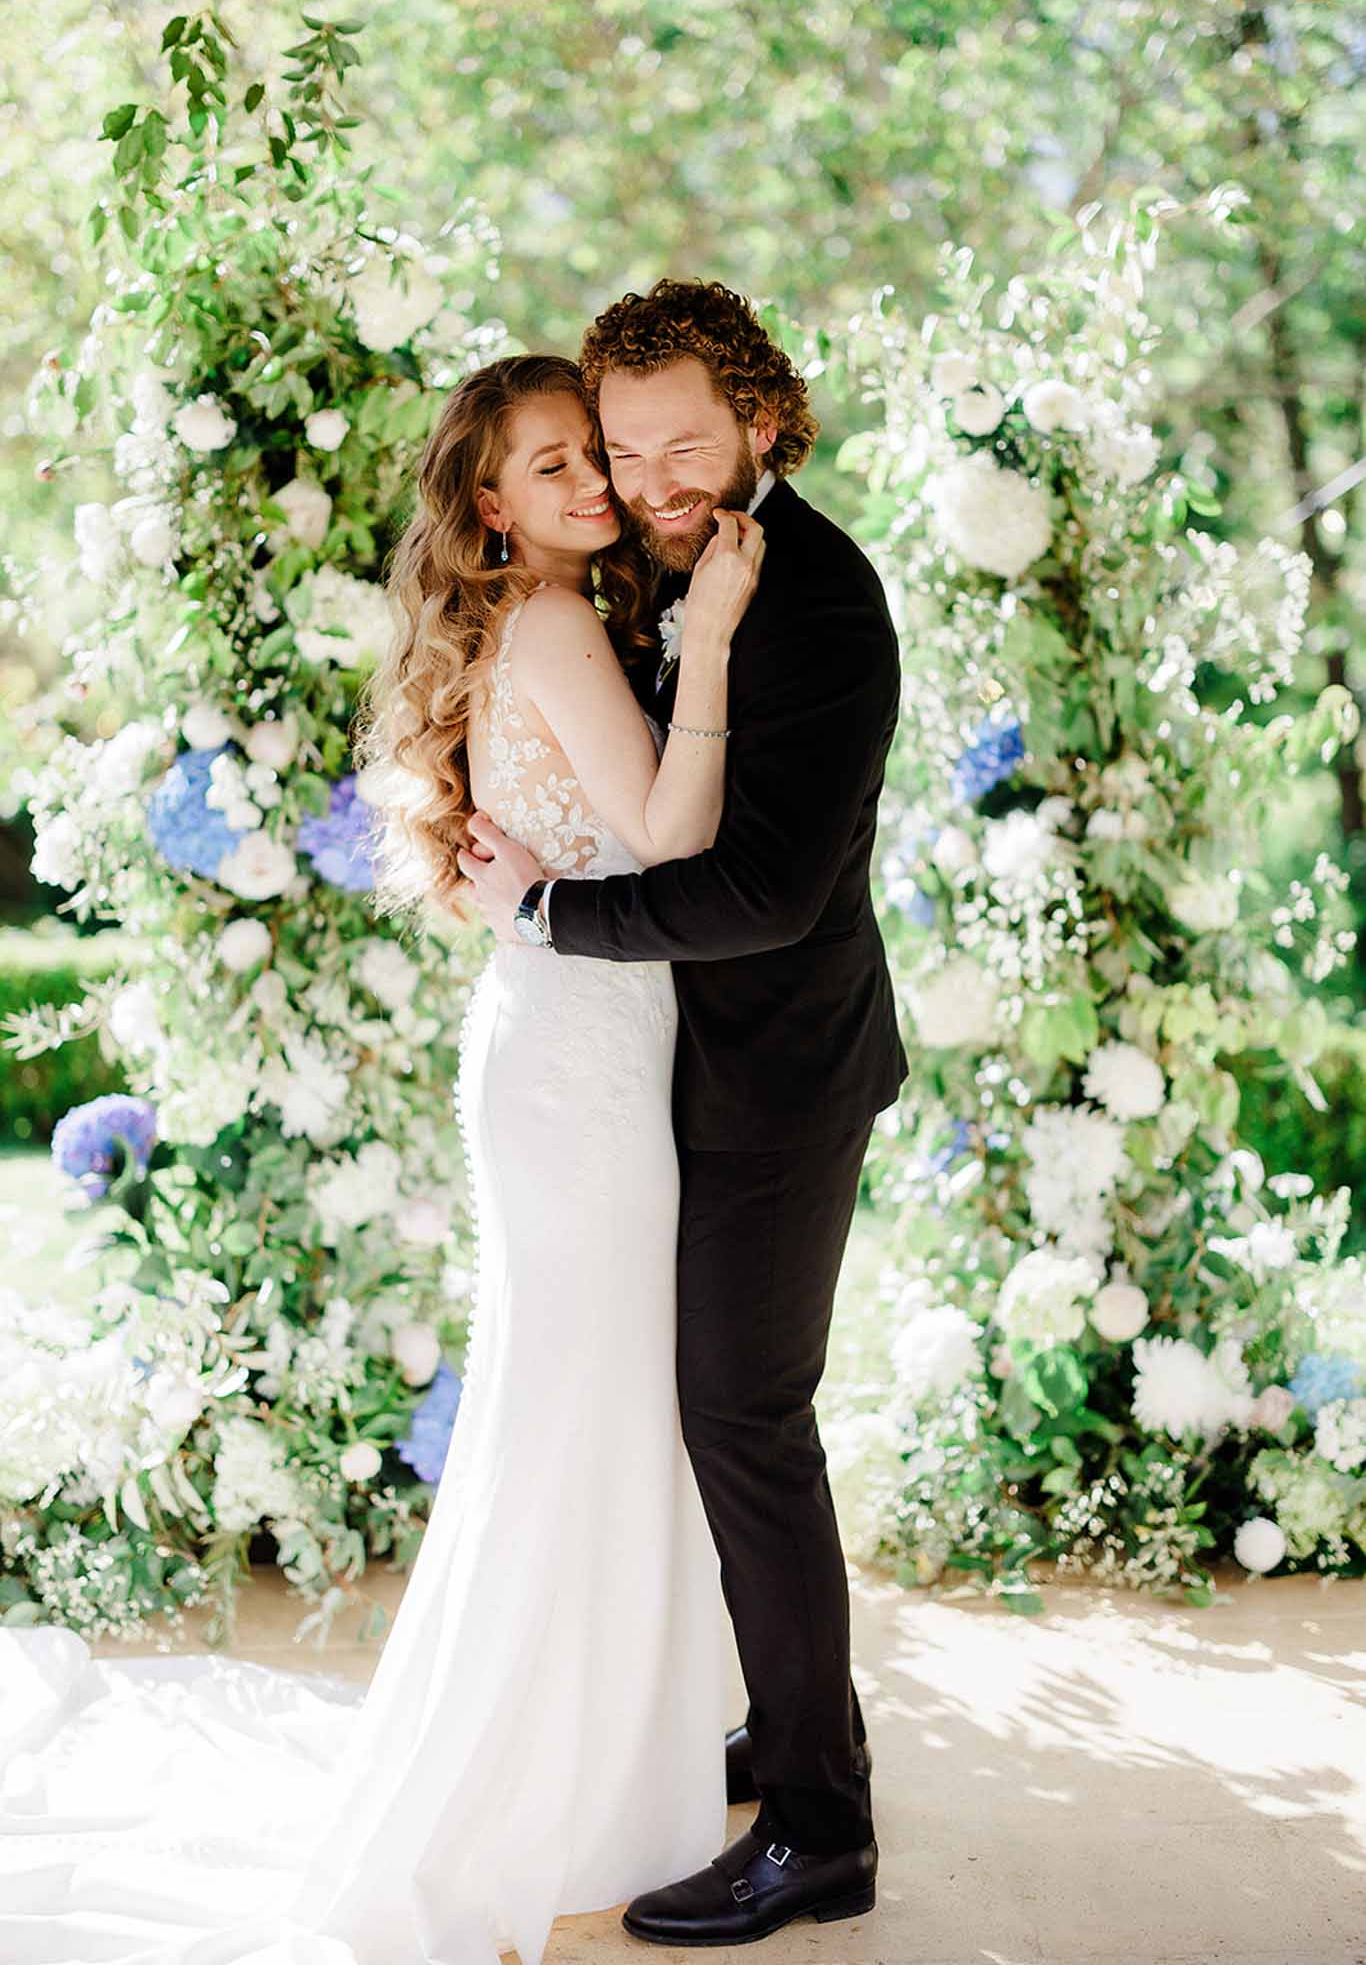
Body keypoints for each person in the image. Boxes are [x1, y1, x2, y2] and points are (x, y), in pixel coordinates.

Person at [0, 353, 766, 1965]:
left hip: (569, 1033)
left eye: (587, 459)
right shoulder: (558, 625)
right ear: (488, 505)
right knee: (586, 1407)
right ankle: (541, 1782)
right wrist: (706, 651)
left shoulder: (542, 622)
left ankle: (581, 1765)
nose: (584, 486)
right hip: (580, 1059)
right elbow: (676, 839)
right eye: (546, 467)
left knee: (583, 1403)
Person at [457, 279, 908, 1948]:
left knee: (744, 1422)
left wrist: (551, 920)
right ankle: (787, 1729)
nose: (647, 479)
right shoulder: (657, 558)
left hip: (776, 1081)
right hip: (645, 1073)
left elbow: (766, 895)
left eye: (682, 446)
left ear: (763, 424)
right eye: (622, 446)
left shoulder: (820, 606)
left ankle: (819, 1828)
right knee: (696, 1414)